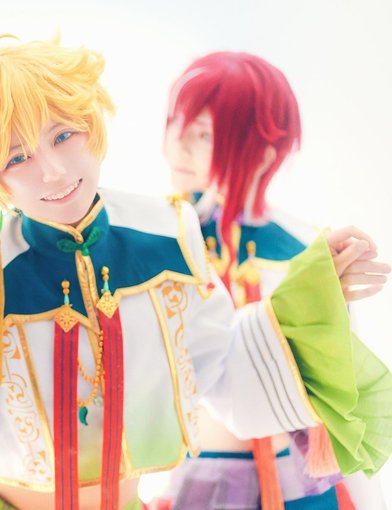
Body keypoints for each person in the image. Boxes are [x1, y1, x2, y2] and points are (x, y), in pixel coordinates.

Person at [0, 36, 392, 510]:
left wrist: (314, 297)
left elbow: (224, 371)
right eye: (16, 157)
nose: (53, 171)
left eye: (64, 135)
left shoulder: (170, 234)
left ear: (93, 127)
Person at [153, 51, 387, 509]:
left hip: (301, 477)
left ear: (263, 152)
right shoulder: (160, 243)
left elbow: (338, 390)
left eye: (204, 133)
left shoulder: (305, 248)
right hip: (202, 477)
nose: (178, 144)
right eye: (176, 123)